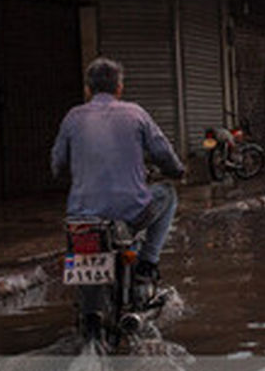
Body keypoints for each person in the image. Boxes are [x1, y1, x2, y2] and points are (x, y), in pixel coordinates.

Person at [51, 57, 185, 283]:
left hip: (81, 217)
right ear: (119, 88)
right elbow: (162, 153)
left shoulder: (72, 117)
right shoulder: (136, 114)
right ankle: (148, 263)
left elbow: (57, 163)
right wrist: (177, 170)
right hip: (129, 212)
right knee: (169, 194)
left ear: (87, 89)